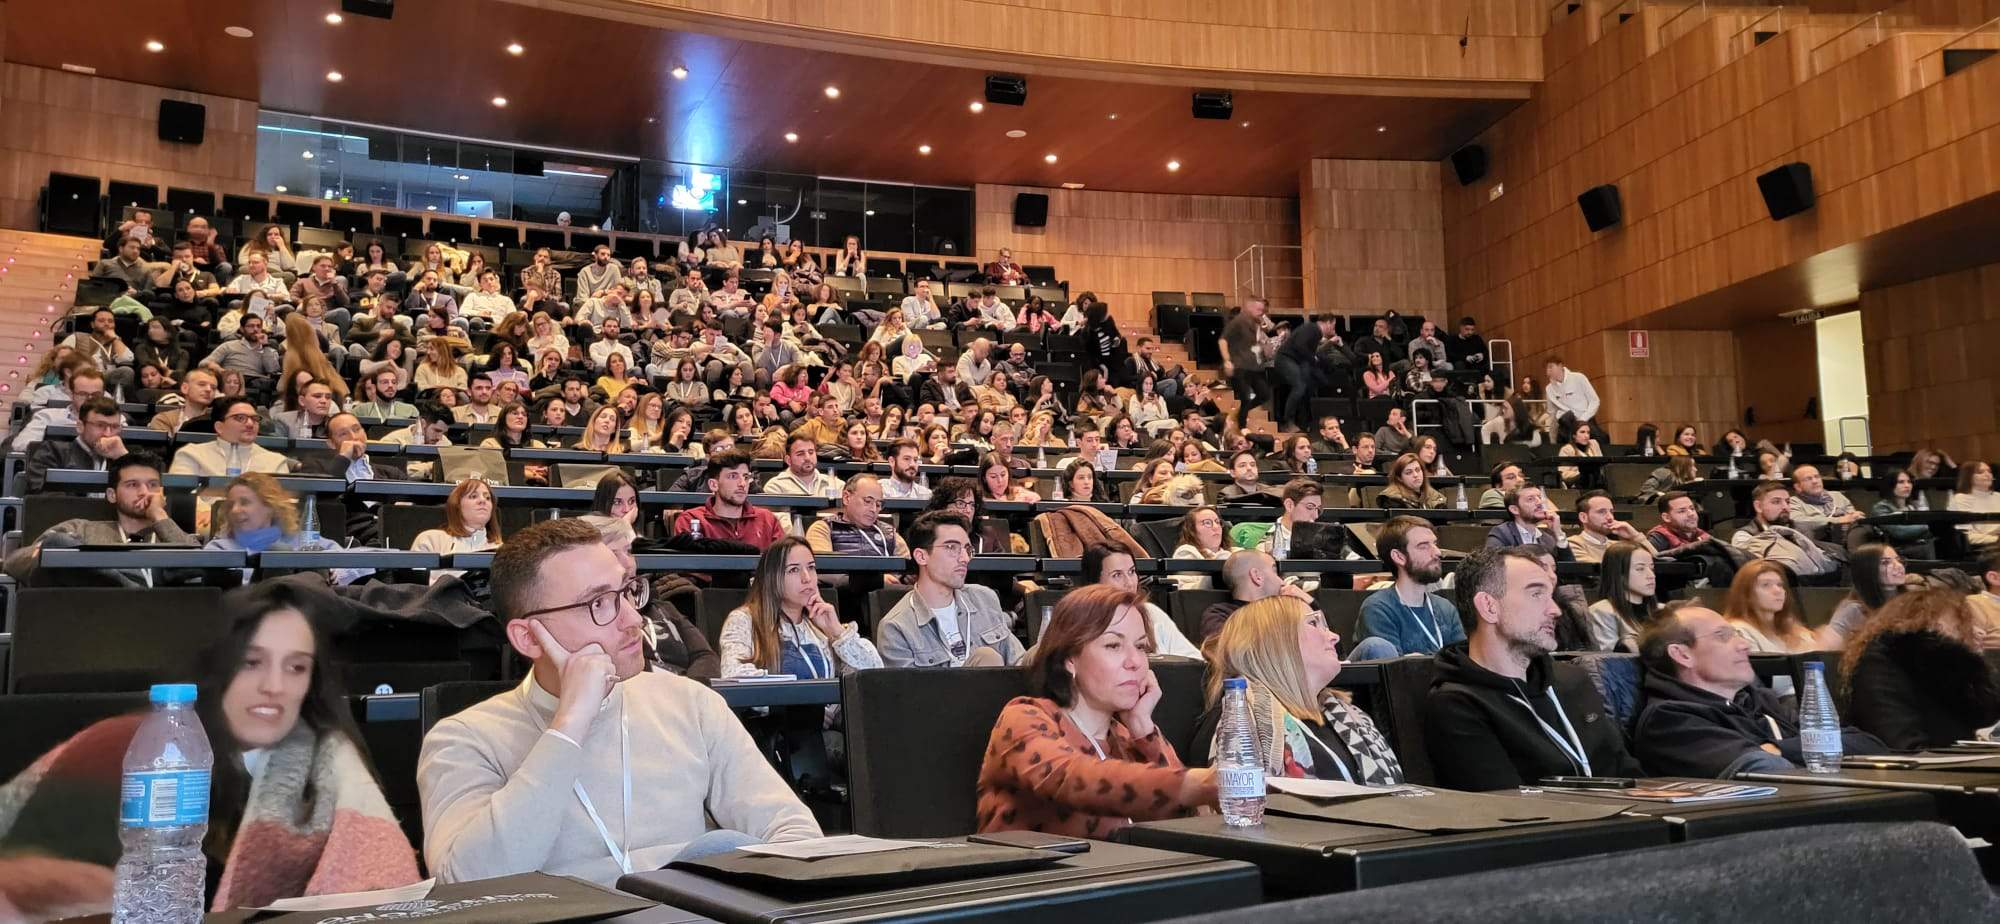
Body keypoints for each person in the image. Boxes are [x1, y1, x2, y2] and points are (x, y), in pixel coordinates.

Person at [417, 519, 819, 885]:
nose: (633, 619)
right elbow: (465, 884)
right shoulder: (463, 740)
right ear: (528, 638)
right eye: (599, 603)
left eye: (627, 592)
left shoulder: (691, 704)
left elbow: (797, 836)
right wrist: (571, 722)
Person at [0, 581, 420, 916]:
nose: (274, 687)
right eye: (252, 662)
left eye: (295, 667)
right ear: (220, 666)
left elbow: (383, 887)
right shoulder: (125, 750)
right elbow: (17, 879)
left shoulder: (329, 765)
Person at [974, 585, 1217, 837]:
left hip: (1125, 875)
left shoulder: (1126, 737)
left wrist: (1144, 728)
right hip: (1040, 876)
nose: (1135, 662)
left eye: (1142, 647)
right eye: (1113, 645)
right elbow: (1071, 779)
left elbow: (1188, 818)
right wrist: (1195, 784)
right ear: (1069, 658)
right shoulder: (1024, 717)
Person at [1424, 546, 1643, 790]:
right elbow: (1506, 809)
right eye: (1537, 594)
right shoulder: (1457, 704)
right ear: (1488, 606)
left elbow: (1628, 773)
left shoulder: (1573, 680)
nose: (1555, 610)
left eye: (1551, 595)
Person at [1631, 603, 1888, 779]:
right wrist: (1800, 751)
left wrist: (1778, 748)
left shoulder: (1758, 702)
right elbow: (1766, 768)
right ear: (1682, 654)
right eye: (1723, 636)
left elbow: (1869, 744)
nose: (1744, 644)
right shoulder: (1670, 721)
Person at [1195, 594, 1405, 782]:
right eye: (1314, 623)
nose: (1334, 636)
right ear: (1276, 641)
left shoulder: (1348, 715)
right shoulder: (1238, 722)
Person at [5, 451, 193, 588]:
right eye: (132, 485)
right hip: (93, 619)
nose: (145, 492)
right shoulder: (81, 528)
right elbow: (14, 562)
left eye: (153, 485)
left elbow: (199, 566)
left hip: (162, 624)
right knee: (57, 543)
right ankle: (135, 588)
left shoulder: (172, 537)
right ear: (112, 495)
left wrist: (160, 516)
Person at [1842, 589, 2000, 751]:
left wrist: (1973, 666)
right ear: (1933, 624)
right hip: (1912, 766)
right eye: (1961, 626)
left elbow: (1983, 716)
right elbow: (1900, 741)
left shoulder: (1949, 670)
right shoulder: (1882, 661)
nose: (1976, 633)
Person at [875, 512, 1026, 668]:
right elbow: (911, 691)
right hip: (943, 692)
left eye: (967, 549)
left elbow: (1019, 661)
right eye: (951, 547)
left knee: (1043, 654)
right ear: (921, 556)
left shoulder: (984, 598)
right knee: (986, 658)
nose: (964, 558)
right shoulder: (896, 627)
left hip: (1006, 689)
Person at [719, 537, 883, 678]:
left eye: (811, 567)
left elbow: (872, 676)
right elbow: (733, 673)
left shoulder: (820, 626)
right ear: (771, 578)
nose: (807, 578)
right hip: (777, 714)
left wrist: (836, 632)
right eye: (794, 570)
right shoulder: (744, 620)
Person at [1358, 516, 1466, 656]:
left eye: (1434, 544)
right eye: (1423, 546)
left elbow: (1463, 661)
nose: (1437, 552)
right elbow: (1393, 672)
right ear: (1399, 557)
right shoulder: (1378, 609)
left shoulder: (1445, 608)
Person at [1081, 544, 1201, 659]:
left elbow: (1194, 660)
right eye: (1117, 575)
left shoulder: (1152, 613)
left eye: (1132, 572)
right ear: (1095, 582)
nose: (1129, 583)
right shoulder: (1082, 622)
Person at [669, 449, 784, 551]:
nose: (742, 484)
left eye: (746, 477)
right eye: (733, 476)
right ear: (714, 485)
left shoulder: (768, 519)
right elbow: (690, 569)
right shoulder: (690, 519)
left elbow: (781, 565)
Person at [1730, 482, 1842, 582]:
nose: (1785, 507)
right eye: (1776, 502)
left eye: (1787, 502)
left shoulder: (1802, 530)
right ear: (1758, 506)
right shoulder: (1744, 536)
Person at [1200, 549, 1308, 642]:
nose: (1282, 582)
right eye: (1275, 571)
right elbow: (1226, 649)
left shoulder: (1286, 610)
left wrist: (1308, 602)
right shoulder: (1220, 614)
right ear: (1257, 576)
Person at [168, 396, 292, 476]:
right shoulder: (191, 455)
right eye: (240, 418)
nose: (250, 424)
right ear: (219, 427)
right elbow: (182, 501)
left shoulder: (275, 461)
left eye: (254, 418)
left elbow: (284, 507)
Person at [1821, 544, 1909, 648]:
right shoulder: (1852, 609)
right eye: (1885, 562)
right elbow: (1826, 648)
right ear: (1867, 570)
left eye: (1898, 560)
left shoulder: (1911, 601)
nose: (1898, 566)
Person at [1722, 559, 1818, 653]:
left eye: (1780, 585)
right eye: (1766, 585)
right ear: (1746, 594)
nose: (1778, 590)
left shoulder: (1797, 632)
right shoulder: (1738, 631)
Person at [805, 474, 909, 558]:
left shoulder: (889, 533)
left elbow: (907, 569)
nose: (873, 509)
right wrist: (879, 578)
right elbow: (823, 571)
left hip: (887, 585)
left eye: (878, 504)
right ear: (846, 497)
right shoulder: (823, 528)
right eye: (867, 501)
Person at [763, 433, 843, 535]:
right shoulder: (775, 486)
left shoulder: (836, 484)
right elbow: (777, 527)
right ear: (788, 460)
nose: (807, 458)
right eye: (800, 454)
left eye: (811, 452)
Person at [1585, 541, 1658, 652]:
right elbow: (1609, 660)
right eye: (1640, 569)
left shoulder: (1662, 610)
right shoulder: (1602, 611)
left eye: (1652, 568)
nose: (1651, 576)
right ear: (1619, 573)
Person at [1219, 296, 1270, 430]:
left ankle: (1238, 414)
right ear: (1250, 307)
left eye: (1262, 309)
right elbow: (1223, 340)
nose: (1261, 312)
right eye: (1258, 309)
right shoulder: (1238, 321)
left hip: (1254, 366)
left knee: (1264, 394)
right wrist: (1227, 361)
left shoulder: (1256, 324)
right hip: (1240, 366)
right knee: (1245, 398)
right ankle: (1241, 426)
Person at [1484, 484, 1572, 559]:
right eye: (1531, 499)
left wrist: (1558, 532)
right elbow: (1493, 567)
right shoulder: (1502, 533)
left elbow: (1568, 573)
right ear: (1515, 509)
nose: (1540, 502)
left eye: (1540, 497)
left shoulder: (1548, 538)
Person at [1787, 463, 1862, 545]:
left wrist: (1856, 516)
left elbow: (1851, 517)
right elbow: (1797, 521)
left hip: (1847, 541)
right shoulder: (1793, 502)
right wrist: (1837, 520)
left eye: (1817, 476)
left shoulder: (1837, 496)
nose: (1815, 481)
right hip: (1817, 547)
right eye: (1808, 479)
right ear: (1798, 487)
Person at [1871, 469, 1938, 559]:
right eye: (1901, 482)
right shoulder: (1881, 507)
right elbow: (1899, 532)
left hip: (1916, 545)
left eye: (1909, 482)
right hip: (1896, 550)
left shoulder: (1911, 507)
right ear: (1891, 485)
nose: (1907, 486)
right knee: (1931, 547)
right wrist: (1929, 526)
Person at [1569, 490, 1646, 563]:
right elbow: (1596, 573)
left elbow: (1651, 564)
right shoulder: (1573, 543)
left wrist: (1635, 536)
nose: (1610, 517)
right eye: (1602, 512)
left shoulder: (1617, 546)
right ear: (1583, 517)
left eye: (1611, 512)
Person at [1169, 505, 1230, 591]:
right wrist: (1214, 577)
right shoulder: (1186, 552)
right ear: (1192, 530)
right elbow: (1184, 591)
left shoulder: (1234, 552)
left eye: (1217, 522)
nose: (1216, 527)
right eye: (1207, 523)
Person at [1541, 356, 1599, 437]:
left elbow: (1595, 401)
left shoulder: (1578, 377)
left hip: (1586, 419)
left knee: (1601, 438)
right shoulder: (1549, 388)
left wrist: (1583, 419)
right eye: (1546, 368)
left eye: (1551, 367)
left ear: (1560, 366)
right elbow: (1552, 412)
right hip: (1566, 424)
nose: (1548, 370)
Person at [1947, 461, 2000, 551]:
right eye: (1980, 472)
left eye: (1989, 471)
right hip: (1981, 549)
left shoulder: (1998, 496)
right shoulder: (1961, 499)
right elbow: (1966, 536)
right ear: (1968, 477)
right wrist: (1996, 539)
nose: (1987, 474)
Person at [1376, 452, 1446, 510]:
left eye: (1418, 470)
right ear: (1399, 478)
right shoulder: (1392, 499)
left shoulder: (1435, 496)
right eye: (1409, 472)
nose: (1415, 475)